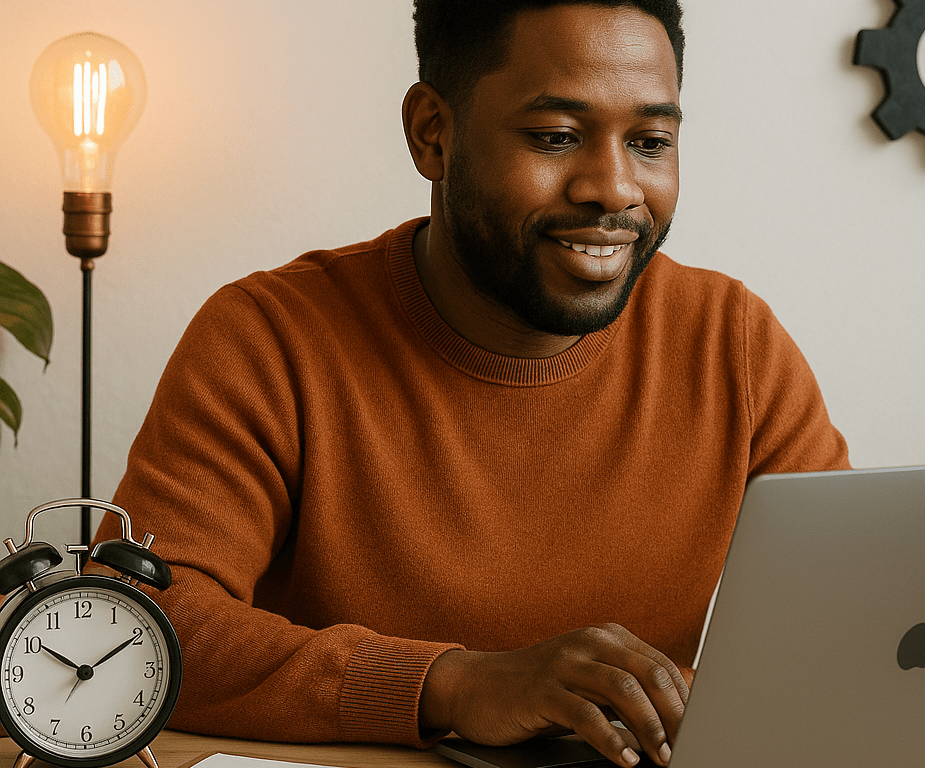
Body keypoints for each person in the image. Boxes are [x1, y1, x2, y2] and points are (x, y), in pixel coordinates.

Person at [96, 2, 849, 767]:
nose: (614, 189)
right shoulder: (270, 338)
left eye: (650, 141)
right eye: (556, 137)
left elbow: (855, 622)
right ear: (433, 133)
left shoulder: (734, 342)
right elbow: (134, 628)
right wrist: (455, 686)